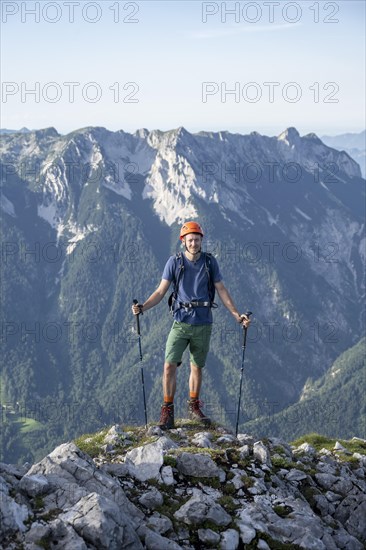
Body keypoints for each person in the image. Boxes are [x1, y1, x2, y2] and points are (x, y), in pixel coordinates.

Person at [132, 221, 251, 430]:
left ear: (201, 241)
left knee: (197, 367)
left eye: (197, 239)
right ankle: (167, 410)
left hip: (203, 323)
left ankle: (194, 407)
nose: (194, 243)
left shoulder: (210, 262)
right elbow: (161, 292)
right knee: (169, 365)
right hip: (180, 322)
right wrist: (143, 307)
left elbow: (221, 289)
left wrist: (236, 315)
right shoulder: (174, 262)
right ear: (183, 242)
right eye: (190, 240)